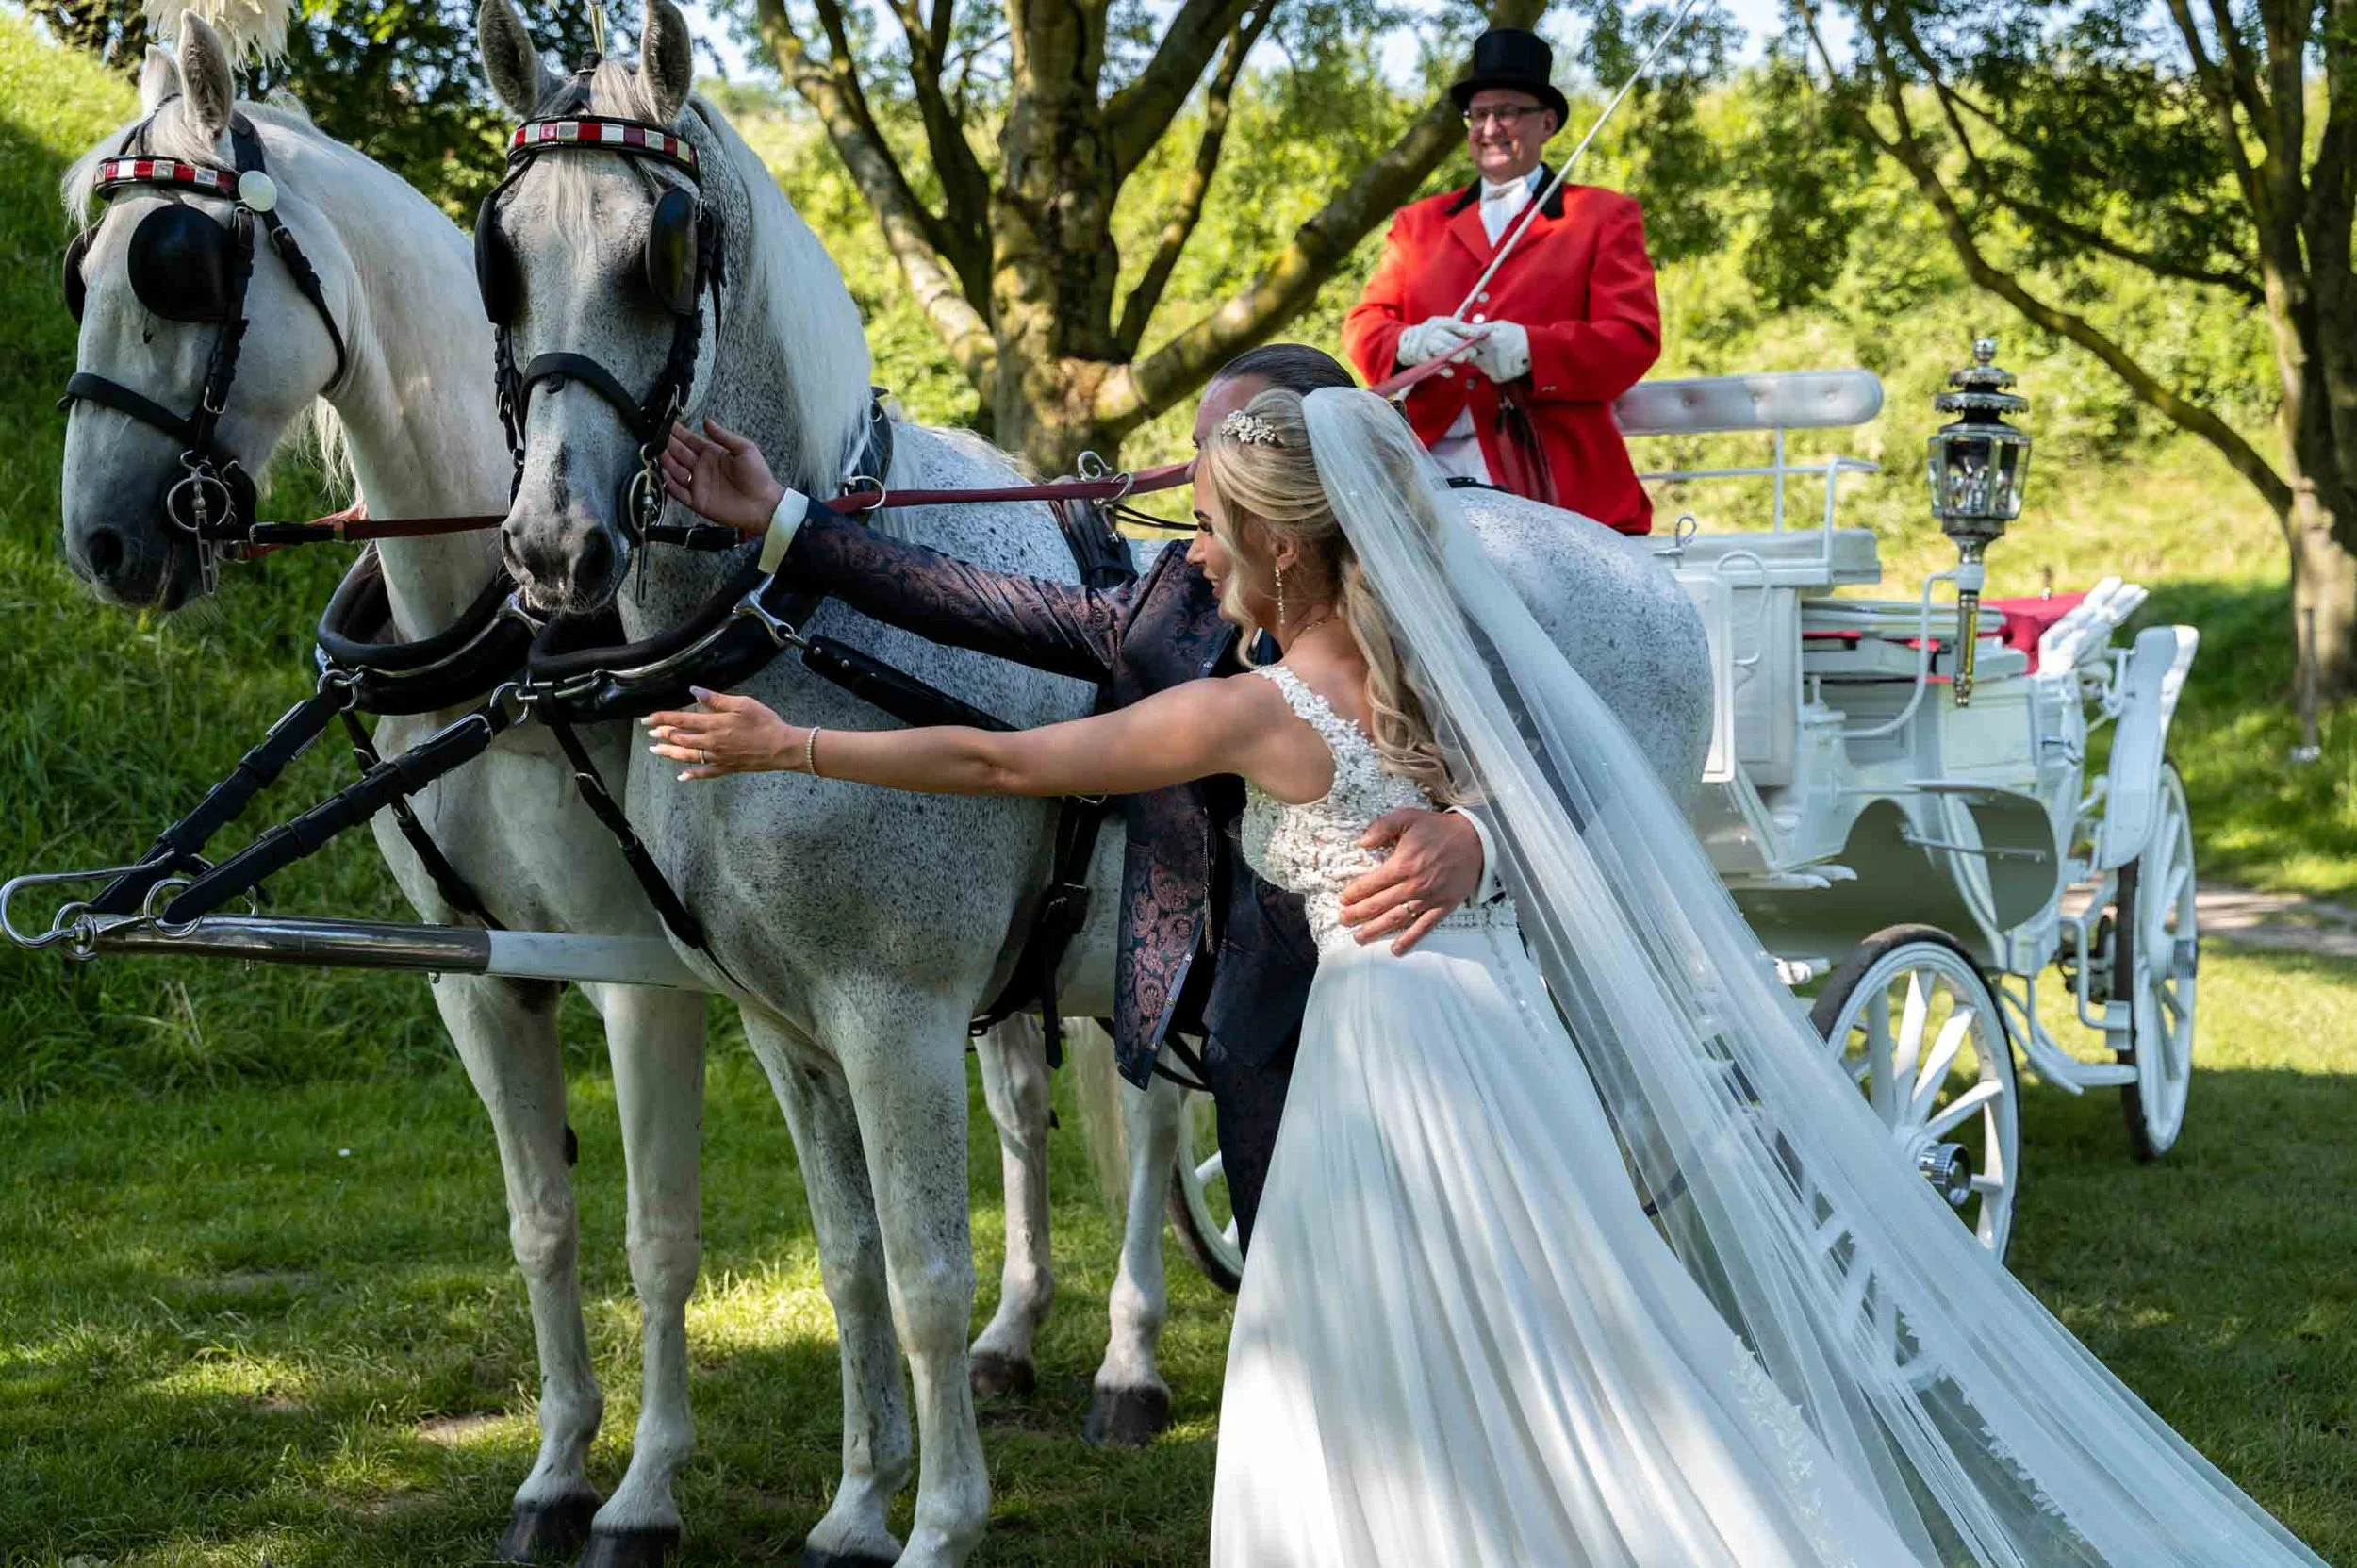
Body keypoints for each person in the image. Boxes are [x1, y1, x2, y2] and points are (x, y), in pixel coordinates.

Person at [648, 387, 2332, 1568]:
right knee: (1572, 1321)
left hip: (1392, 1063)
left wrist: (786, 735)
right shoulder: (1420, 679)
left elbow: (1018, 769)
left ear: (1297, 553)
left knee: (1368, 1336)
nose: (1195, 560)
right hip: (1485, 1035)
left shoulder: (1264, 706)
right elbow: (1495, 777)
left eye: (1221, 536)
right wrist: (1461, 828)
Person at [652, 343, 1492, 1255]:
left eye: (1214, 481)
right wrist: (784, 517)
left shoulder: (1426, 636)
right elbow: (983, 605)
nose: (1186, 516)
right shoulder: (1183, 596)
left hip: (1443, 1025)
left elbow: (999, 765)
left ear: (1290, 514)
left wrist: (1474, 838)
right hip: (1263, 1024)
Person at [1343, 25, 1660, 530]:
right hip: (1427, 472)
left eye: (1508, 111)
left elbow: (1632, 338)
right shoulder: (1418, 223)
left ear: (1547, 122)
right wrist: (1408, 342)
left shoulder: (1602, 215)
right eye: (1479, 114)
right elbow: (1365, 323)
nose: (1490, 128)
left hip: (1554, 476)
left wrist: (1531, 351)